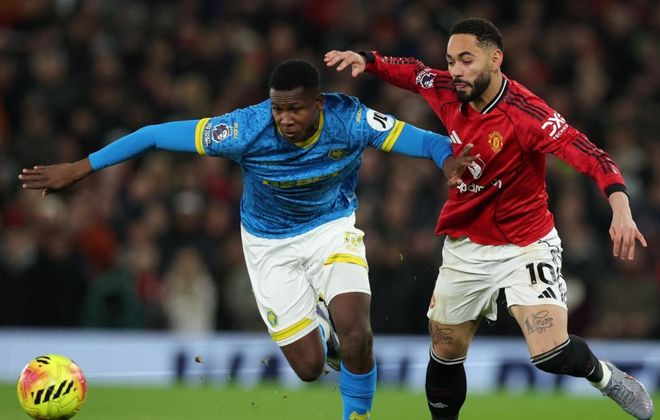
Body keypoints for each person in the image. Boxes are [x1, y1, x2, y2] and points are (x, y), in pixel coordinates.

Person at [19, 59, 474, 420]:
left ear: (318, 103)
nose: (285, 119)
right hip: (269, 245)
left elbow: (427, 141)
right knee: (310, 368)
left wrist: (448, 161)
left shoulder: (350, 119)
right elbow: (154, 135)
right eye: (278, 109)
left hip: (331, 229)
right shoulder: (243, 129)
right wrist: (80, 168)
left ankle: (357, 414)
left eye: (295, 109)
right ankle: (322, 332)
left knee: (358, 334)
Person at [325, 17, 654, 420]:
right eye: (451, 61)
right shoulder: (447, 89)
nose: (455, 71)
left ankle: (608, 378)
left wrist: (621, 207)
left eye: (466, 60)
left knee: (550, 352)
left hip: (525, 243)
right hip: (466, 245)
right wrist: (368, 60)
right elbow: (414, 72)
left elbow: (590, 154)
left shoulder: (527, 114)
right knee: (445, 351)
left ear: (495, 59)